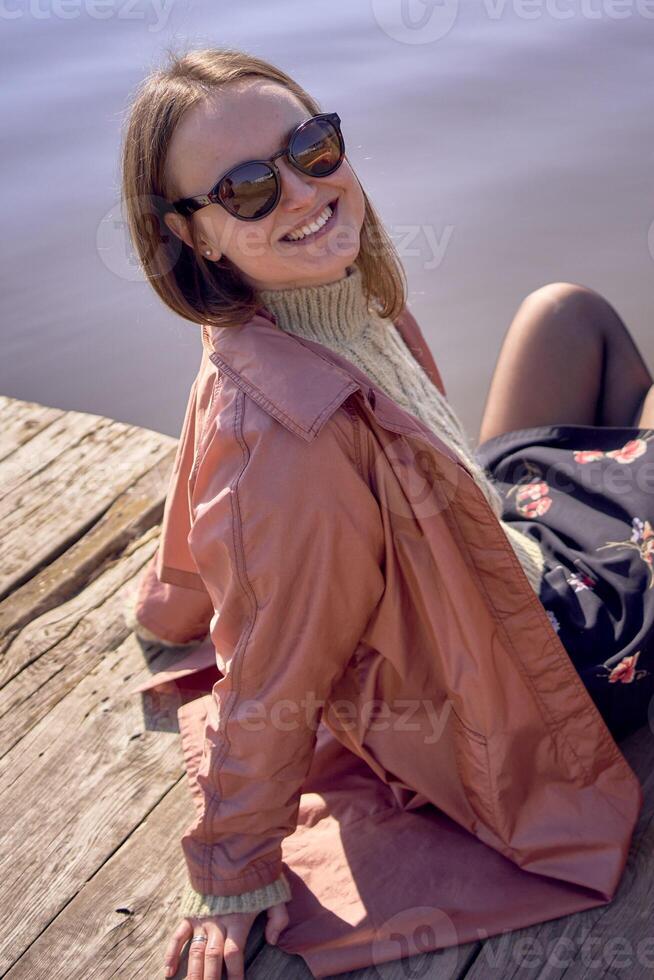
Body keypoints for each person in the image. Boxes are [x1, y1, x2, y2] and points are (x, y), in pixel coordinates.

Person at [119, 45, 653, 979]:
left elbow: (202, 506)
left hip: (492, 545)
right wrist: (231, 870)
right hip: (540, 662)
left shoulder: (310, 304)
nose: (300, 189)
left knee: (566, 316)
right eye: (247, 188)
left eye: (312, 147)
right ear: (193, 235)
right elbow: (270, 662)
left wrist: (171, 603)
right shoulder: (287, 445)